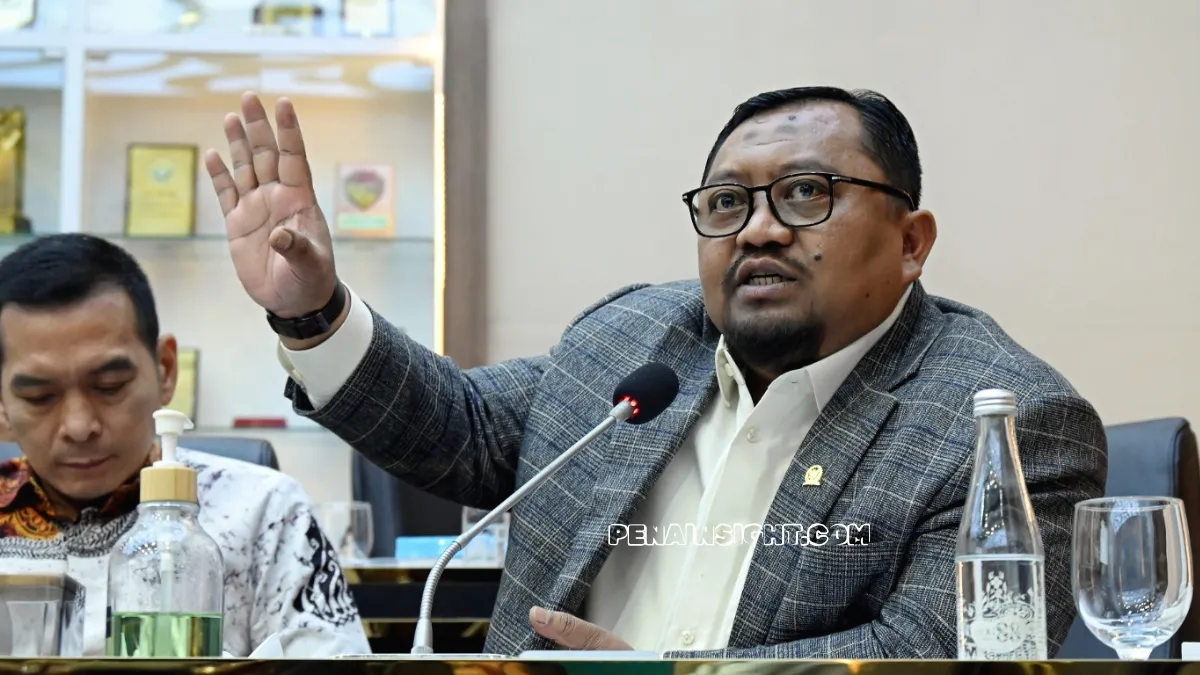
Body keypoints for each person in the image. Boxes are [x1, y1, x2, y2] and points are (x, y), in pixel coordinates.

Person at [206, 87, 1107, 658]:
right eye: (727, 202)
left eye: (806, 194)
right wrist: (313, 312)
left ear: (912, 242)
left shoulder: (1006, 424)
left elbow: (932, 654)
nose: (759, 229)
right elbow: (461, 426)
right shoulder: (635, 340)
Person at [0, 234, 371, 657]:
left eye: (110, 386)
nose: (80, 426)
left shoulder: (265, 512)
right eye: (40, 397)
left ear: (165, 370)